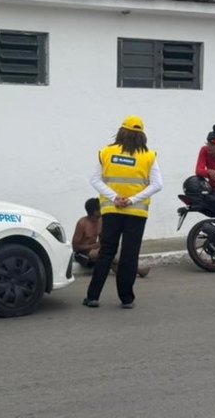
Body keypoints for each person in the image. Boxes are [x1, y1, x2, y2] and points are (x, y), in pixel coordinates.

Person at [83, 116, 162, 309]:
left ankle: (93, 297)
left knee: (106, 251)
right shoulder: (149, 156)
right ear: (142, 135)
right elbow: (157, 184)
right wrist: (132, 200)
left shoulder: (106, 152)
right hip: (136, 213)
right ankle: (127, 299)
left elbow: (95, 180)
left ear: (121, 132)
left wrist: (115, 197)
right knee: (129, 254)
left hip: (112, 210)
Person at [72, 198, 150, 277]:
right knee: (106, 253)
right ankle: (137, 268)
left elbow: (103, 238)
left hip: (96, 251)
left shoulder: (100, 220)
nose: (102, 209)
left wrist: (103, 243)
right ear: (94, 211)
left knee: (110, 259)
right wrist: (93, 246)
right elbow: (75, 247)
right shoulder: (82, 223)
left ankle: (130, 274)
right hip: (82, 254)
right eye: (99, 208)